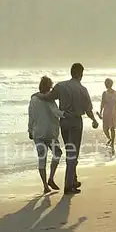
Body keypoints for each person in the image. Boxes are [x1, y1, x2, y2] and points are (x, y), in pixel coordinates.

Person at [37, 63, 99, 195]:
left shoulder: (61, 86)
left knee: (69, 149)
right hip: (76, 121)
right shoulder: (82, 90)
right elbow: (88, 109)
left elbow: (48, 97)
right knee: (73, 154)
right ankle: (68, 185)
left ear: (71, 73)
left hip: (64, 121)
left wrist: (37, 96)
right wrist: (94, 120)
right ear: (80, 74)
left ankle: (74, 179)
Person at [28, 76, 64, 194]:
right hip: (50, 133)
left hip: (37, 133)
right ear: (49, 87)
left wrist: (29, 130)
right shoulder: (49, 100)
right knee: (57, 153)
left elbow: (31, 116)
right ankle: (51, 178)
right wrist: (70, 113)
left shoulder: (33, 98)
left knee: (41, 159)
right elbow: (57, 113)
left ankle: (45, 185)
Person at [99, 78, 116, 154]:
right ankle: (111, 140)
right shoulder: (110, 93)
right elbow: (103, 103)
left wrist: (100, 112)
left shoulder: (110, 93)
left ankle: (111, 140)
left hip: (110, 112)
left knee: (109, 128)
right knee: (109, 128)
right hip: (110, 112)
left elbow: (103, 103)